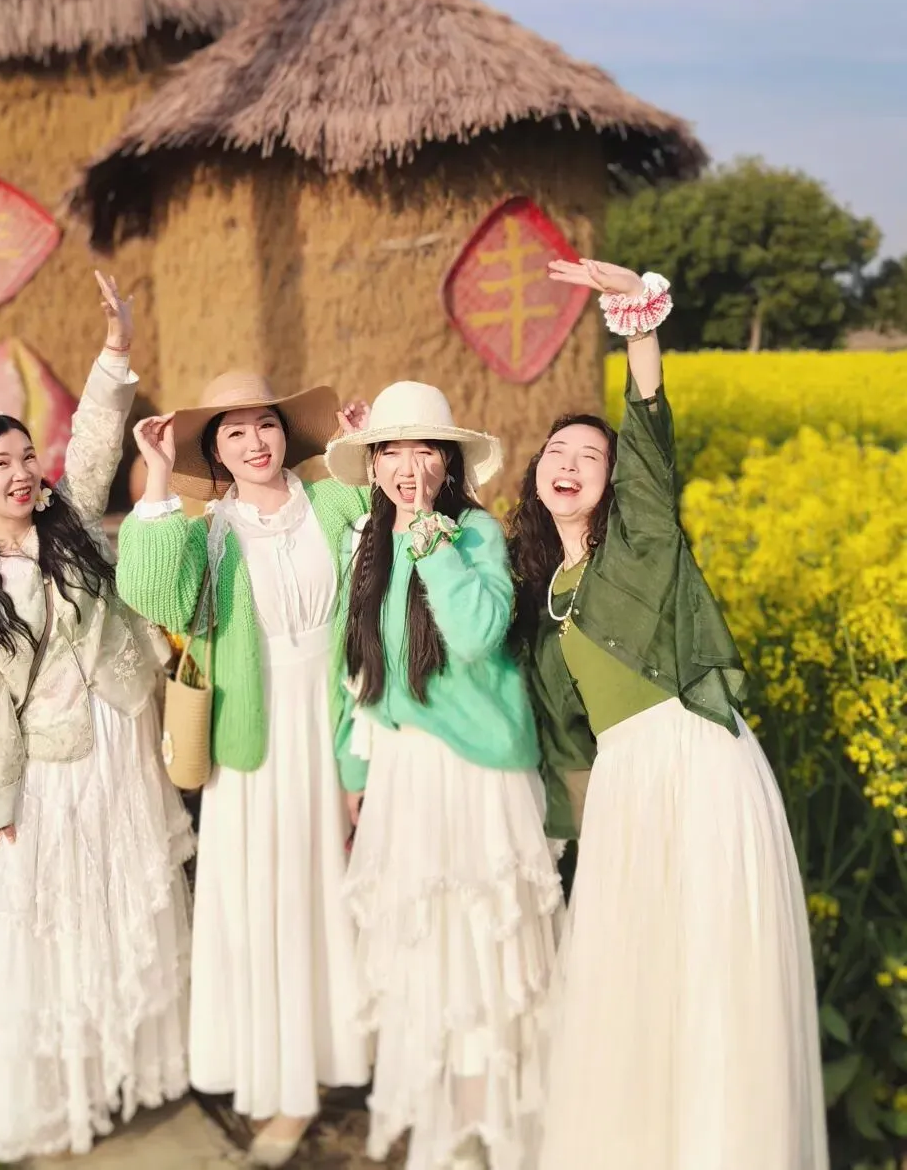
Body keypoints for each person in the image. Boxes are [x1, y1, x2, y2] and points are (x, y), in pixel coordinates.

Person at [508, 259, 829, 1170]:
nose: (570, 464)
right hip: (624, 790)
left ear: (615, 480)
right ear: (536, 475)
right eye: (557, 453)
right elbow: (566, 740)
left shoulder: (643, 536)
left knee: (712, 967)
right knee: (634, 979)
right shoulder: (542, 595)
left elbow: (647, 418)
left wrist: (635, 320)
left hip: (699, 763)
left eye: (590, 455)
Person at [0, 273, 193, 1164]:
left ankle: (133, 1069)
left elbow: (98, 439)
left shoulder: (69, 519)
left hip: (123, 737)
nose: (20, 471)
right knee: (63, 920)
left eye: (25, 455)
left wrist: (115, 351)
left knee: (129, 907)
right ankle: (71, 1085)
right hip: (55, 762)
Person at [118, 373, 373, 1168]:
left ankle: (352, 1052)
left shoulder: (332, 500)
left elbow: (392, 553)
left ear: (286, 432)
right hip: (254, 737)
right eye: (234, 432)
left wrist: (364, 451)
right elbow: (152, 591)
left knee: (338, 890)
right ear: (216, 452)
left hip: (335, 721)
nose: (255, 441)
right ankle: (284, 1083)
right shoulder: (212, 531)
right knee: (268, 899)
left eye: (265, 424)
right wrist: (158, 476)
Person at [326, 381, 563, 1170]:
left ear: (451, 462)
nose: (407, 466)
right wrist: (354, 764)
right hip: (404, 772)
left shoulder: (475, 533)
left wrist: (432, 539)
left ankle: (493, 1132)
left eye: (425, 449)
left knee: (481, 957)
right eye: (390, 450)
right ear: (372, 463)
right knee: (425, 952)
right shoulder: (368, 540)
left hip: (475, 776)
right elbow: (359, 664)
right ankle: (448, 1132)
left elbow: (475, 633)